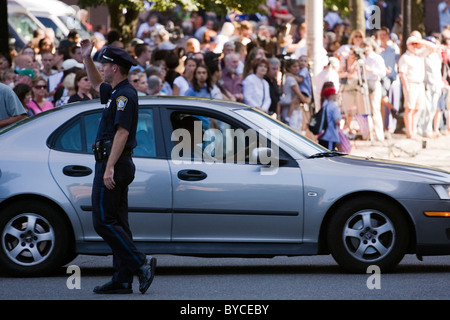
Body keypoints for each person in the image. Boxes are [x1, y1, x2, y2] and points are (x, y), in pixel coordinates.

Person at [80, 39, 156, 294]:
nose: (101, 67)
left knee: (103, 221)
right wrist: (87, 58)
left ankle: (141, 263)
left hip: (113, 162)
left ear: (115, 67)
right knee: (118, 224)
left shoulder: (124, 95)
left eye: (104, 64)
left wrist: (109, 167)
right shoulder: (115, 91)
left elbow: (122, 133)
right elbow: (94, 84)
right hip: (115, 161)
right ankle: (122, 280)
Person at [318, 86, 341, 150]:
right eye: (334, 94)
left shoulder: (324, 105)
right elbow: (337, 121)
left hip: (323, 135)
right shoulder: (334, 106)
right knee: (328, 155)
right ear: (331, 95)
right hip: (330, 136)